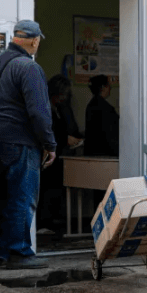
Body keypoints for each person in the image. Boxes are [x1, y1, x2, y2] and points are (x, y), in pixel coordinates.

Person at [0, 20, 56, 269]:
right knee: (22, 197)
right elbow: (39, 112)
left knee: (1, 196)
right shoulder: (29, 68)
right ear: (35, 41)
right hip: (21, 141)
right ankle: (20, 252)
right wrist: (49, 143)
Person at [39, 74, 82, 233]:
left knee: (53, 189)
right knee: (47, 189)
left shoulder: (55, 108)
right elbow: (49, 131)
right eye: (63, 94)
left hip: (54, 157)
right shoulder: (47, 109)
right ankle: (44, 223)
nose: (65, 98)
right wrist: (65, 139)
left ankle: (48, 220)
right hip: (47, 157)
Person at [84, 74, 119, 157]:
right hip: (105, 153)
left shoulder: (91, 105)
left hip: (92, 152)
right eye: (108, 85)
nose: (110, 88)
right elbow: (111, 135)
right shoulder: (106, 108)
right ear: (103, 87)